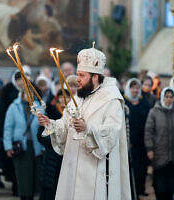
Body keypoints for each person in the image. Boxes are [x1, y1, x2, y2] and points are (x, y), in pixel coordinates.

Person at [38, 46, 131, 199]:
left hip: (95, 169)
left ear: (95, 77)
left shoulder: (112, 99)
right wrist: (51, 124)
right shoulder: (79, 98)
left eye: (82, 75)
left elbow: (112, 132)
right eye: (77, 74)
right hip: (73, 165)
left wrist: (88, 129)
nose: (77, 79)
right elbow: (65, 124)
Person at [145, 87, 174, 200]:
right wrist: (149, 149)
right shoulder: (154, 112)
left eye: (171, 97)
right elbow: (148, 131)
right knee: (159, 185)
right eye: (166, 96)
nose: (168, 99)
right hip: (159, 155)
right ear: (162, 97)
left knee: (171, 186)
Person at [3, 89, 44, 200]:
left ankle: (30, 196)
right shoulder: (14, 107)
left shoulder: (39, 107)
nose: (28, 95)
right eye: (26, 93)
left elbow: (45, 128)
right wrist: (8, 146)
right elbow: (8, 128)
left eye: (31, 93)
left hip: (35, 146)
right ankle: (23, 196)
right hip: (20, 146)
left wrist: (43, 146)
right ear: (21, 94)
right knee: (22, 175)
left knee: (34, 175)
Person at [37, 89, 70, 200]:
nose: (64, 99)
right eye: (61, 97)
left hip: (67, 158)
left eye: (67, 97)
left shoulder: (74, 115)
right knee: (50, 190)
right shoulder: (50, 113)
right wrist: (56, 141)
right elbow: (40, 135)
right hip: (51, 157)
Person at [124, 78, 150, 198]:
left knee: (142, 167)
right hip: (129, 141)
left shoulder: (144, 102)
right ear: (129, 88)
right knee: (130, 168)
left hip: (143, 141)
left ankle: (140, 189)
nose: (135, 90)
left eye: (137, 88)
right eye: (133, 87)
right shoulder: (124, 103)